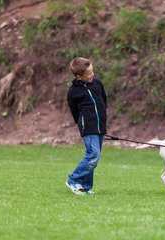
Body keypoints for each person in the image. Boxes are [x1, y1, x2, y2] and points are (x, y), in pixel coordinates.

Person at [65, 57, 107, 195]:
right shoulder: (73, 92)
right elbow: (74, 112)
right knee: (92, 155)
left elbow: (103, 102)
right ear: (78, 77)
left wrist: (101, 120)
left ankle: (85, 187)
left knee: (95, 157)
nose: (92, 75)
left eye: (92, 71)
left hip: (100, 125)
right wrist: (83, 124)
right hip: (88, 127)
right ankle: (73, 179)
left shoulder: (97, 84)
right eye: (89, 74)